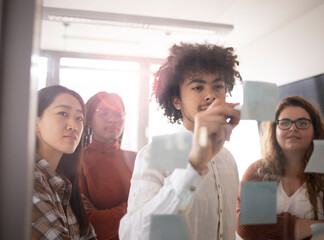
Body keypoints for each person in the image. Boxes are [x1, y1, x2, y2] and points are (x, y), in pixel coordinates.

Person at [119, 42, 242, 240]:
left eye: (218, 86)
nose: (210, 95)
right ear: (176, 101)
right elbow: (132, 235)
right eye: (198, 87)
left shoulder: (228, 159)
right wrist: (194, 166)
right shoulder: (154, 154)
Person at [237, 95, 324, 240]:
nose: (293, 128)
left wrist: (271, 229)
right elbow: (246, 227)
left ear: (315, 130)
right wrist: (319, 227)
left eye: (302, 123)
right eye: (285, 123)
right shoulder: (258, 172)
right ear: (274, 129)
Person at [32, 85, 96, 239]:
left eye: (79, 118)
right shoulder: (29, 178)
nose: (73, 126)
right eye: (63, 113)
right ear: (35, 122)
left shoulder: (64, 183)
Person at [79, 92, 136, 240]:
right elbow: (89, 224)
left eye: (118, 115)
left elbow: (155, 209)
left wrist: (104, 214)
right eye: (104, 113)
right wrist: (133, 207)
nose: (113, 120)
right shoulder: (78, 162)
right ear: (89, 119)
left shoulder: (139, 158)